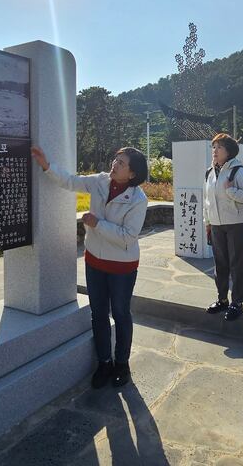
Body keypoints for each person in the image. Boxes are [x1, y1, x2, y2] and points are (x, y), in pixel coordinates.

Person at [31, 145, 148, 389]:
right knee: (98, 313)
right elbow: (72, 182)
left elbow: (128, 236)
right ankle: (104, 362)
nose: (114, 164)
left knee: (121, 313)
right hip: (94, 260)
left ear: (133, 174)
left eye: (122, 163)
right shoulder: (99, 181)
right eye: (116, 159)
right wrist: (46, 165)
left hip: (122, 267)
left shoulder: (138, 199)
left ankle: (122, 364)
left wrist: (97, 224)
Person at [203, 133, 243, 321]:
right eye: (213, 147)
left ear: (229, 152)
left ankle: (237, 302)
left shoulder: (239, 170)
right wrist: (207, 222)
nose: (215, 151)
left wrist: (230, 190)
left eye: (219, 147)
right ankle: (222, 299)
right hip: (216, 224)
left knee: (237, 264)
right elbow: (206, 200)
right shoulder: (209, 172)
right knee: (220, 264)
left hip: (236, 223)